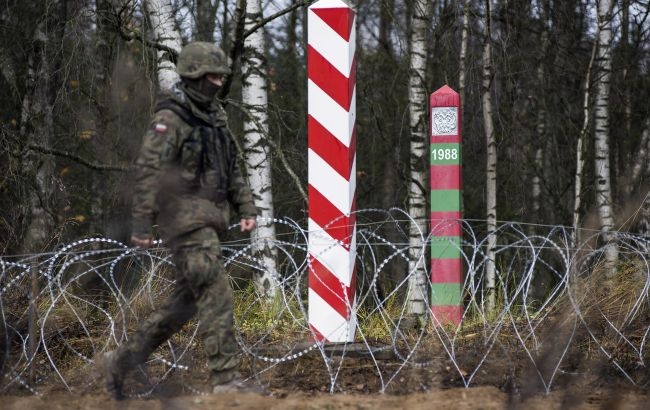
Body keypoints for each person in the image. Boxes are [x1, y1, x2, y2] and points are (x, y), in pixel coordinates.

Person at [97, 42, 259, 399]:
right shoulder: (170, 119)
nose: (218, 82)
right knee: (215, 290)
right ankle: (226, 379)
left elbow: (231, 169)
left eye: (221, 76)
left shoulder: (216, 118)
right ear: (194, 76)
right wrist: (141, 224)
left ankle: (119, 362)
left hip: (211, 218)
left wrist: (246, 209)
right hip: (184, 222)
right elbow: (149, 172)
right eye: (212, 76)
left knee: (181, 308)